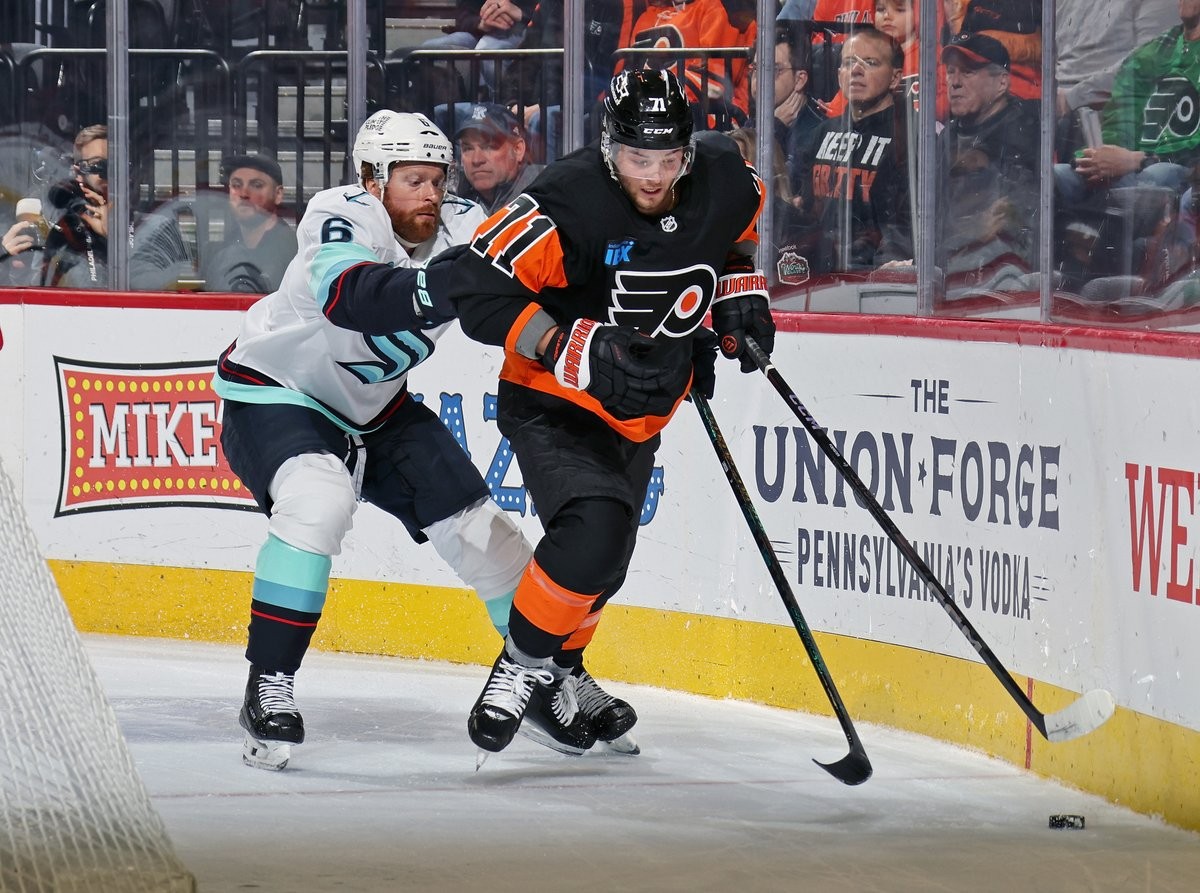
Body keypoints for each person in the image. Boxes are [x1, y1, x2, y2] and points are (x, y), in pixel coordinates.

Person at [448, 69, 775, 757]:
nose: (652, 177)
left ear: (687, 150)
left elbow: (731, 237)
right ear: (608, 149)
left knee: (607, 560)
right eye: (635, 159)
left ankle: (564, 669)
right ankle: (524, 667)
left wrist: (739, 290)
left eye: (665, 160)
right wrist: (564, 342)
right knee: (592, 534)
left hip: (646, 406)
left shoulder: (725, 174)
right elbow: (476, 290)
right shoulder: (566, 201)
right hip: (554, 402)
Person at [214, 111, 544, 771]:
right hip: (279, 391)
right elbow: (349, 297)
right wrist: (450, 284)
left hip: (377, 409)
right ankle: (268, 685)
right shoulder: (340, 214)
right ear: (371, 179)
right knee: (317, 501)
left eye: (436, 179)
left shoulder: (462, 226)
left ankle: (551, 679)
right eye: (411, 179)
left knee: (491, 537)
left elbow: (541, 275)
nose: (429, 193)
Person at [876, 33, 1039, 293]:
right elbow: (911, 217)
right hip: (941, 269)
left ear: (1001, 83)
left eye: (969, 72)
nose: (955, 83)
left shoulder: (1024, 136)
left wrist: (933, 255)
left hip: (994, 287)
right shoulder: (945, 138)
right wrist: (891, 260)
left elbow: (1008, 232)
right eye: (951, 72)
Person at [1054, 2, 1200, 214]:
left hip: (1176, 173)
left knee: (1158, 175)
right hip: (1128, 168)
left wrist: (1136, 160)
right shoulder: (1157, 49)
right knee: (1053, 176)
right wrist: (1097, 160)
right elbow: (1122, 112)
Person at [794, 26, 902, 273]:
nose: (855, 71)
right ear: (839, 73)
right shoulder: (820, 134)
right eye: (848, 63)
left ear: (895, 78)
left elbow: (904, 226)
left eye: (871, 63)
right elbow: (806, 208)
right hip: (820, 269)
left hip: (875, 273)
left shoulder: (907, 137)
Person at [39, 124, 192, 290]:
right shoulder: (66, 233)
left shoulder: (160, 228)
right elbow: (43, 291)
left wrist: (115, 238)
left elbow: (182, 293)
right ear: (79, 173)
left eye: (115, 165)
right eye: (98, 166)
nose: (109, 173)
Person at [619, 0, 757, 131]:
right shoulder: (647, 16)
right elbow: (631, 72)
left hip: (698, 112)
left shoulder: (711, 8)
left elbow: (713, 82)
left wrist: (665, 95)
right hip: (651, 109)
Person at [200, 154, 297, 293]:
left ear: (278, 194)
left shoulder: (294, 250)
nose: (244, 193)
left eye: (256, 185)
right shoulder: (217, 252)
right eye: (236, 185)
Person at [753, 26, 824, 195]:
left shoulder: (817, 132)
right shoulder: (756, 120)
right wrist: (775, 127)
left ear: (800, 80)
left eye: (774, 70)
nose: (760, 80)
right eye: (756, 69)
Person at [454, 103, 543, 215]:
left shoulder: (543, 195)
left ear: (518, 149)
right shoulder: (455, 197)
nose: (476, 160)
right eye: (468, 149)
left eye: (488, 147)